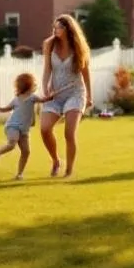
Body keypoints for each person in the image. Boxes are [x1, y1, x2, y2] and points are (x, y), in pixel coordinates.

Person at [39, 14, 93, 178]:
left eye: (59, 27)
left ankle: (69, 170)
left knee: (69, 133)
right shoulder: (49, 45)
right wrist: (45, 88)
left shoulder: (78, 48)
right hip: (55, 94)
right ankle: (56, 160)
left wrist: (89, 96)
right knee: (45, 128)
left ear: (68, 29)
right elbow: (47, 69)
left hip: (75, 93)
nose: (55, 30)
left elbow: (85, 73)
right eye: (54, 27)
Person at [0, 73, 56, 180]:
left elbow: (44, 100)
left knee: (26, 151)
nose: (35, 86)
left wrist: (51, 96)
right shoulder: (18, 99)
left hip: (24, 130)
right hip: (13, 126)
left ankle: (19, 174)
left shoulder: (33, 98)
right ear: (29, 86)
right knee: (12, 144)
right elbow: (3, 109)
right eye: (34, 84)